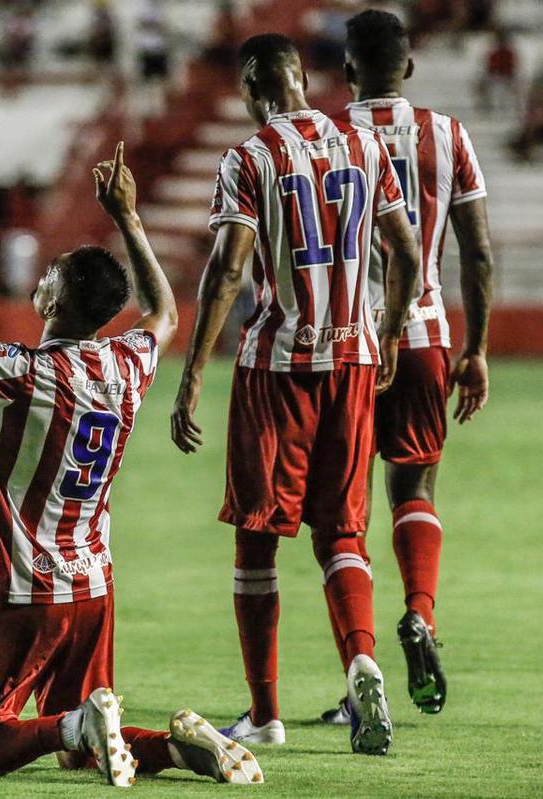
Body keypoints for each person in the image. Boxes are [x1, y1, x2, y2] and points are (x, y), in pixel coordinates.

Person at [0, 144, 262, 786]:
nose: (42, 275)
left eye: (51, 274)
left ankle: (73, 725)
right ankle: (180, 750)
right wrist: (128, 217)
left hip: (17, 588)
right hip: (91, 587)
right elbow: (166, 314)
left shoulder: (19, 373)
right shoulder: (127, 363)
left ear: (56, 302)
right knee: (83, 748)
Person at [169, 33, 421, 756]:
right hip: (354, 359)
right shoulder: (366, 147)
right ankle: (362, 661)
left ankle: (265, 712)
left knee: (257, 539)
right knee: (341, 533)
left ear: (252, 89)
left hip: (278, 365)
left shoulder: (249, 157)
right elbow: (405, 253)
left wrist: (191, 375)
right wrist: (389, 332)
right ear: (302, 77)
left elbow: (228, 270)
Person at [315, 8, 494, 726]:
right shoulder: (446, 134)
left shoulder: (327, 137)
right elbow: (478, 252)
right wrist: (476, 348)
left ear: (347, 70)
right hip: (424, 335)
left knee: (344, 513)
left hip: (347, 343)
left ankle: (360, 678)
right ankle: (421, 612)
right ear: (409, 67)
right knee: (414, 485)